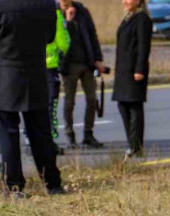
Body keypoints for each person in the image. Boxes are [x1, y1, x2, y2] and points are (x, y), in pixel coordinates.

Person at [0, 0, 64, 196]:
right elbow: (50, 37)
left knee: (7, 133)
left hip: (4, 77)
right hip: (35, 75)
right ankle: (52, 182)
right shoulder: (47, 5)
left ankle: (14, 184)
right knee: (41, 134)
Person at [59, 0, 105, 149]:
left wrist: (98, 58)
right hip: (68, 64)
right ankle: (69, 134)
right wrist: (68, 21)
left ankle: (88, 133)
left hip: (86, 62)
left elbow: (92, 35)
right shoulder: (55, 12)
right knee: (69, 101)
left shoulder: (82, 11)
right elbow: (57, 36)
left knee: (92, 99)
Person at [114, 0, 152, 158]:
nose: (125, 2)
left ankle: (136, 147)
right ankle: (132, 143)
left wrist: (139, 69)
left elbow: (144, 46)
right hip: (123, 70)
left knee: (134, 106)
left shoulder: (142, 18)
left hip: (134, 70)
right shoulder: (128, 17)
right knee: (123, 105)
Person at [46, 3, 70, 149]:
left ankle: (31, 139)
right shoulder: (54, 13)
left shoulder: (25, 10)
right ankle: (50, 140)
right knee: (50, 105)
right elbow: (63, 42)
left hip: (30, 66)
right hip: (50, 66)